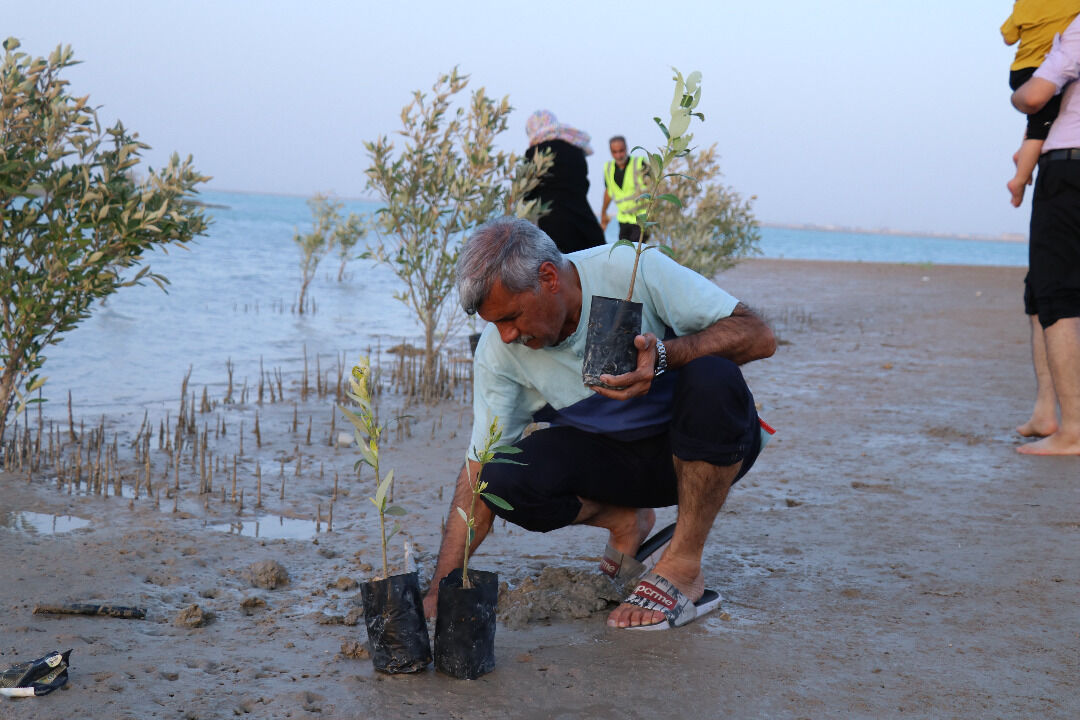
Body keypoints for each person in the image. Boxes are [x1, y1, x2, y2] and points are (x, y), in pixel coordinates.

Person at [422, 217, 776, 629]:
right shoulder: (499, 354)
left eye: (512, 317)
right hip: (618, 466)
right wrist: (439, 589)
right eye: (494, 323)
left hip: (703, 447)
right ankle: (626, 520)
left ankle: (683, 565)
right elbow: (477, 470)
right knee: (499, 475)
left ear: (549, 278)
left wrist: (666, 355)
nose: (505, 335)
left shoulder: (632, 268)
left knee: (714, 377)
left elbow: (758, 335)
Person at [1011, 14, 1080, 454]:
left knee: (1056, 297)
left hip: (1070, 170)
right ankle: (1045, 411)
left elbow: (1035, 96)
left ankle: (1072, 430)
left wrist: (1018, 93)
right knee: (1042, 290)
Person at [1001, 1, 1079, 207]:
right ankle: (1018, 181)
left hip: (1019, 71)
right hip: (1043, 69)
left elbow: (1008, 38)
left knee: (1040, 120)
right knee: (1041, 128)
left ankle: (1023, 154)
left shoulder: (1024, 3)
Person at [523, 110, 606, 253]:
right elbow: (583, 184)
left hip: (553, 226)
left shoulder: (534, 154)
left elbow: (528, 194)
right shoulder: (576, 149)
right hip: (585, 222)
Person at [599, 136, 648, 243]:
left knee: (636, 253)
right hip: (623, 220)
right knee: (623, 251)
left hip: (641, 220)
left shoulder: (640, 163)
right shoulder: (608, 168)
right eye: (615, 152)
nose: (618, 155)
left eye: (621, 151)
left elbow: (655, 188)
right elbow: (609, 192)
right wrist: (603, 213)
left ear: (626, 148)